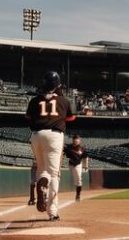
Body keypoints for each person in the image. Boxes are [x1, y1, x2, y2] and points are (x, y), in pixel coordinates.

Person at [26, 71, 75, 222]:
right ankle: (52, 211)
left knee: (42, 170)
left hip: (36, 135)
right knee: (54, 173)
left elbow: (28, 117)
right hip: (54, 136)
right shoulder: (63, 101)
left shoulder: (34, 100)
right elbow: (71, 117)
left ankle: (42, 185)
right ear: (57, 85)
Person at [64, 135, 88, 202]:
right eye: (74, 141)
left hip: (78, 164)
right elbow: (62, 148)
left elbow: (85, 157)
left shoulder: (82, 148)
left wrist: (85, 165)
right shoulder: (69, 147)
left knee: (78, 180)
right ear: (72, 141)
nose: (76, 142)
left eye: (77, 141)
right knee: (76, 180)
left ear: (79, 141)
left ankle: (78, 195)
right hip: (70, 164)